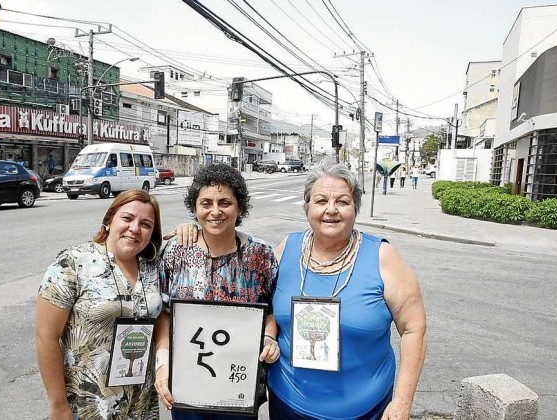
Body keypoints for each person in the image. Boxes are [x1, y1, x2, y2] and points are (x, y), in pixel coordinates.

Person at [267, 161, 427, 419]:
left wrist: (402, 402)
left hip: (365, 408)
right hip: (289, 403)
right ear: (307, 208)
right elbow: (265, 306)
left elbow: (413, 329)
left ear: (356, 209)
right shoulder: (287, 248)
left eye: (342, 202)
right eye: (320, 201)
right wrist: (269, 336)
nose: (331, 210)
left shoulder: (382, 257)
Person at [154, 162, 280, 419]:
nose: (215, 211)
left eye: (225, 202)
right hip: (187, 387)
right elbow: (164, 314)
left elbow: (271, 312)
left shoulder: (261, 255)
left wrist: (269, 339)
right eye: (206, 203)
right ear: (194, 207)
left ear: (240, 207)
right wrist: (162, 363)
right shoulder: (175, 252)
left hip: (239, 389)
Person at [35, 189, 164, 420]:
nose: (135, 228)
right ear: (109, 220)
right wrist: (57, 404)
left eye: (146, 224)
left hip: (140, 402)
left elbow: (162, 314)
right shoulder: (73, 262)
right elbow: (46, 336)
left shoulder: (153, 268)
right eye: (127, 218)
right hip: (88, 402)